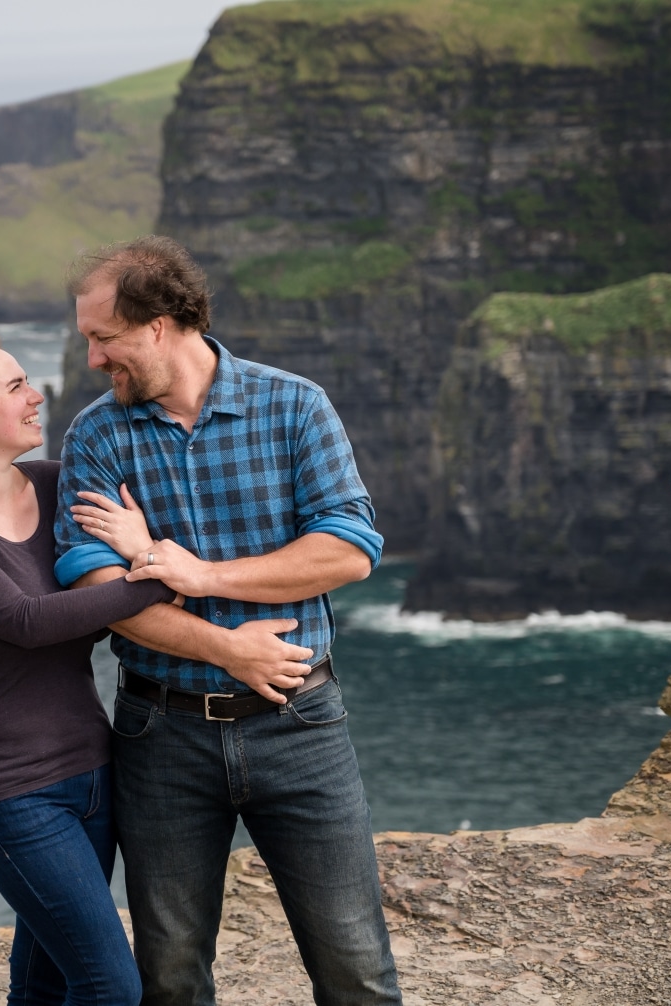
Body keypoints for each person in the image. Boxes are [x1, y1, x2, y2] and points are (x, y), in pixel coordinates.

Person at [54, 235, 404, 1005]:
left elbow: (348, 551)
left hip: (301, 723)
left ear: (160, 324)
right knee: (171, 977)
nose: (91, 361)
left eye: (102, 339)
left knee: (357, 969)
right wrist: (229, 648)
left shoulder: (293, 405)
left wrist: (192, 571)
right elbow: (97, 589)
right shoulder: (96, 435)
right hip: (161, 735)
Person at [0, 336, 175, 1006]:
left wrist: (150, 558)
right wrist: (166, 578)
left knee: (47, 979)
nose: (37, 395)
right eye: (15, 386)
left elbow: (114, 574)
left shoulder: (56, 485)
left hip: (98, 771)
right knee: (110, 986)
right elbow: (27, 621)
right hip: (13, 792)